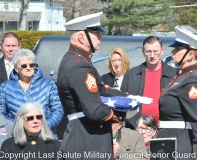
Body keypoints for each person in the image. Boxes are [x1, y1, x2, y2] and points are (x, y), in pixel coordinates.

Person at [57, 12, 152, 160]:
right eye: (96, 33)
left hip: (84, 136)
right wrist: (121, 114)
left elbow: (102, 89)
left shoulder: (77, 60)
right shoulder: (79, 65)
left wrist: (128, 97)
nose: (100, 37)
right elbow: (95, 110)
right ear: (82, 37)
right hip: (86, 140)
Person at [158, 26, 197, 159]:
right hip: (169, 141)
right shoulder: (182, 77)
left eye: (177, 49)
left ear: (190, 55)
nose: (173, 51)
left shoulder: (191, 81)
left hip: (180, 145)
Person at [0, 48, 63, 139]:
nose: (29, 68)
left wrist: (42, 126)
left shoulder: (48, 84)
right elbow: (2, 114)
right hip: (18, 138)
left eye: (32, 65)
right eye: (24, 66)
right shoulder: (5, 87)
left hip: (45, 137)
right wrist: (20, 127)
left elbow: (58, 110)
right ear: (16, 69)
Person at [121, 36, 176, 129]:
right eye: (148, 51)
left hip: (164, 130)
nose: (152, 55)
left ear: (162, 51)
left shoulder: (174, 75)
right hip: (136, 130)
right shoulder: (131, 75)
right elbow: (122, 102)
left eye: (155, 51)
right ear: (143, 52)